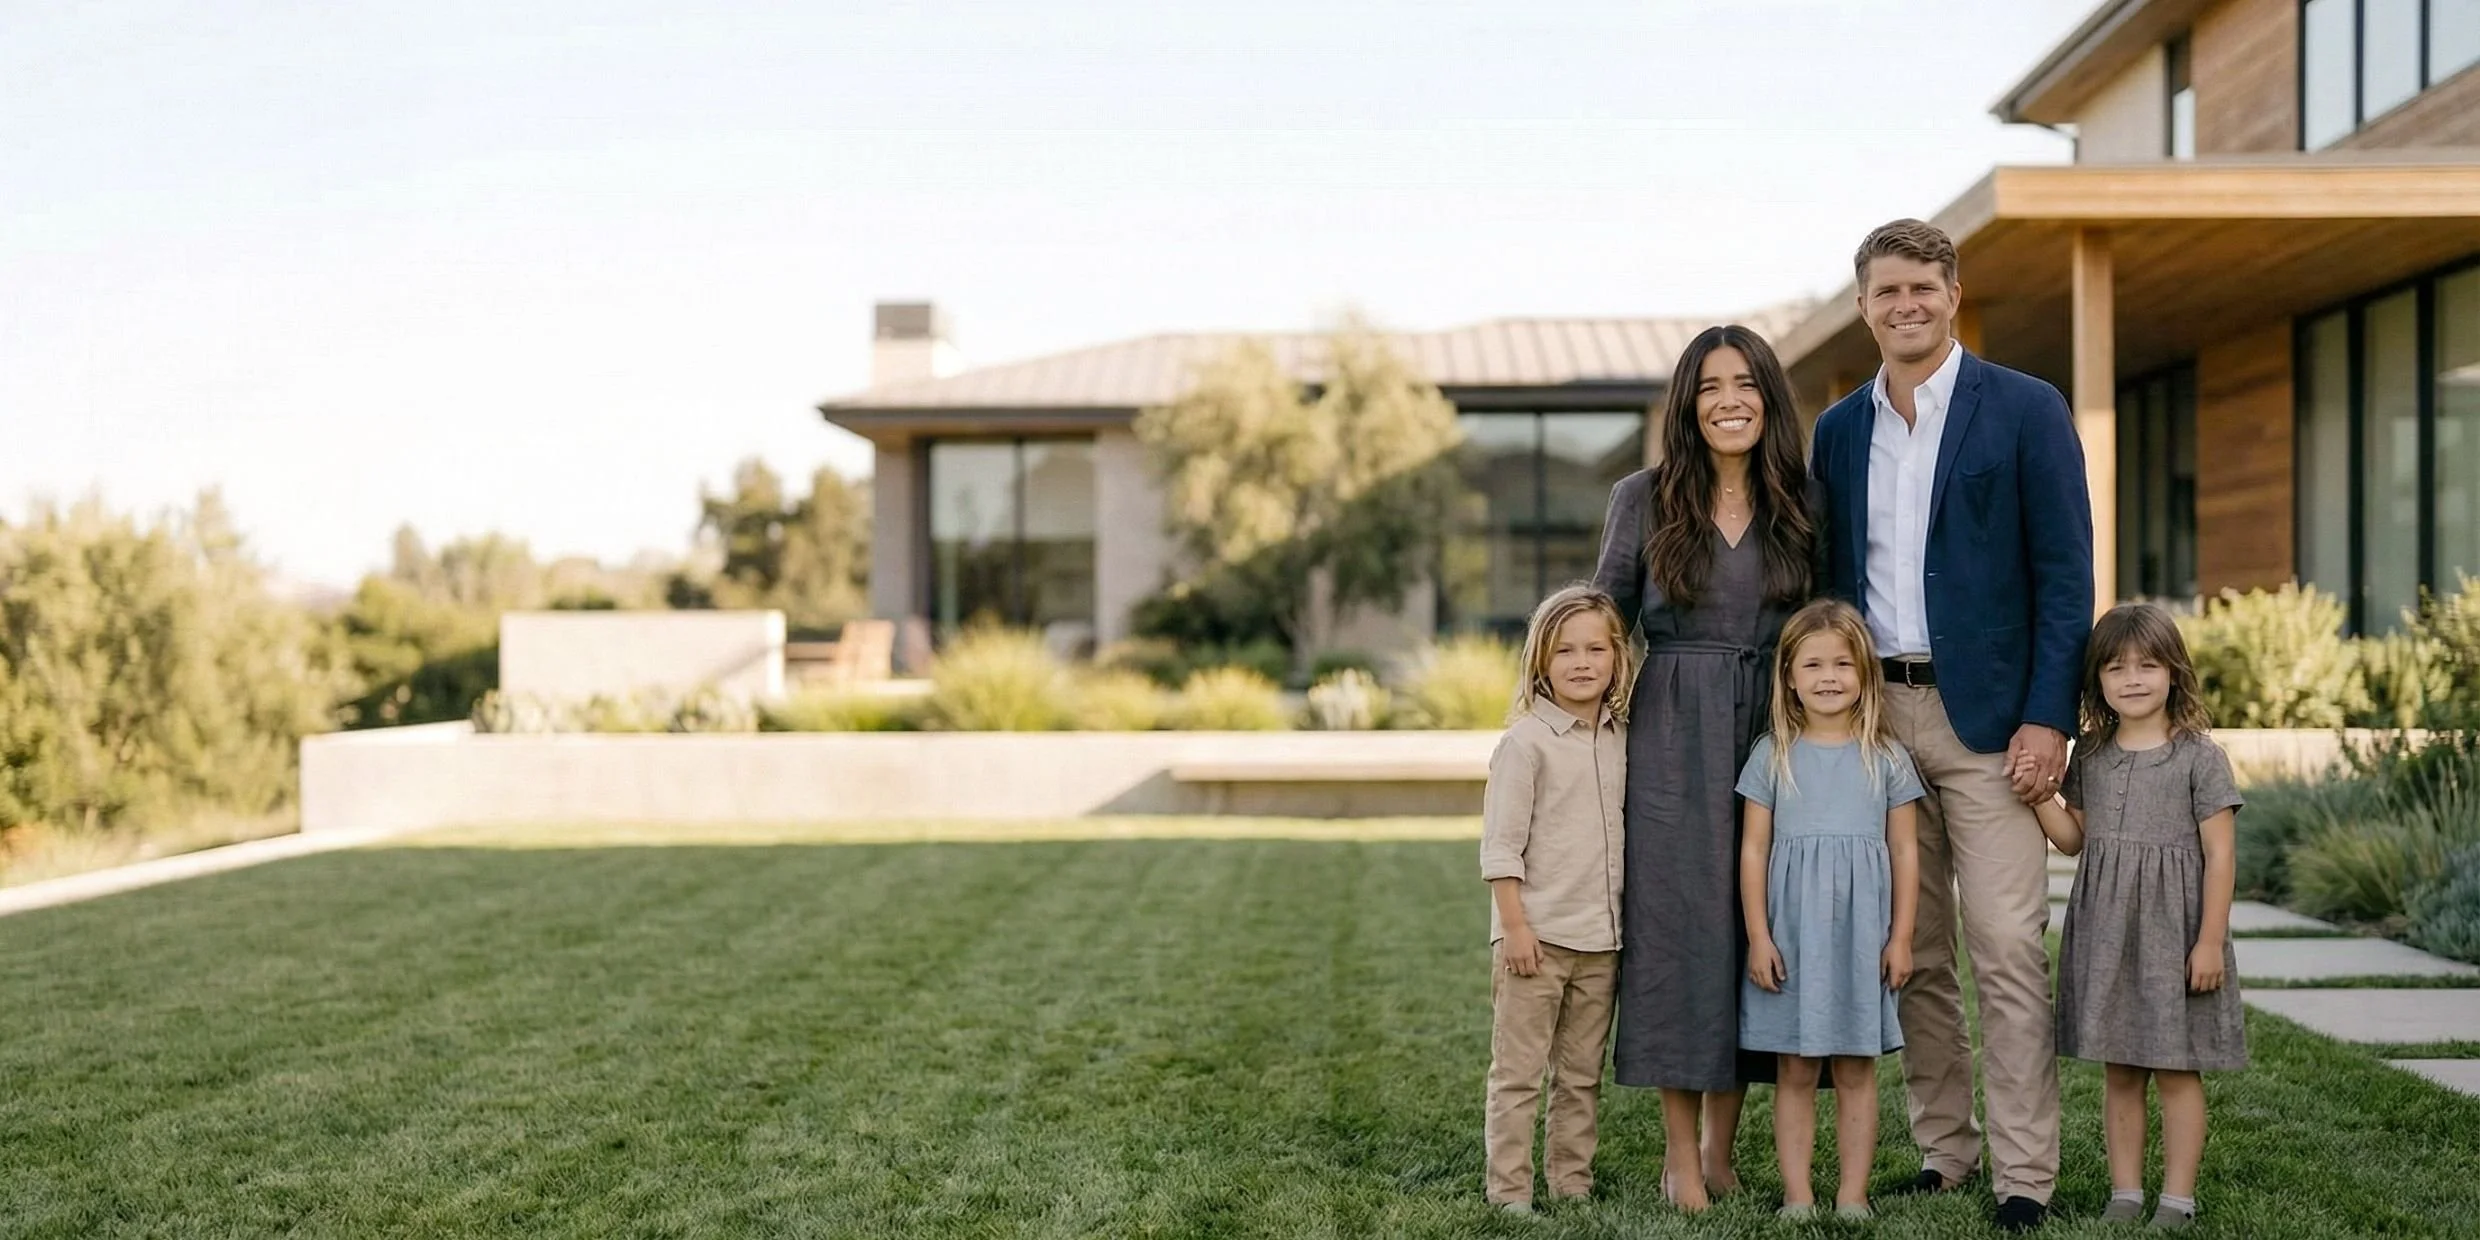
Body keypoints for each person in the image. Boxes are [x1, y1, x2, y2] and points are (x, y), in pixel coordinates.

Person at [1808, 218, 2093, 1232]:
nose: (1904, 306)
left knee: (2007, 947)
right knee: (1914, 952)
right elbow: (1828, 584)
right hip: (1880, 724)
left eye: (1920, 288)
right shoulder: (1838, 431)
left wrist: (2046, 719)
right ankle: (1945, 1152)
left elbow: (2065, 577)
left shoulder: (2022, 408)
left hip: (1989, 729)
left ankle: (2024, 1175)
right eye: (1884, 292)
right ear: (1861, 305)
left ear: (1952, 291)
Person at [1592, 324, 1823, 1211]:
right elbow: (1607, 619)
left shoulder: (1806, 500)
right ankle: (1681, 1157)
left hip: (1778, 726)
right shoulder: (1641, 498)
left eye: (1745, 383)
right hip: (1672, 735)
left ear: (1769, 395)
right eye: (1709, 387)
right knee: (1683, 937)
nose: (1729, 401)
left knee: (1754, 927)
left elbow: (1831, 621)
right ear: (1688, 406)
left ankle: (1726, 1150)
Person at [2025, 604, 2245, 1231]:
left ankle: (2176, 1199)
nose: (2133, 679)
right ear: (2097, 681)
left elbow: (2220, 856)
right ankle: (2125, 1193)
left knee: (2176, 1068)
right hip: (2108, 933)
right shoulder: (2090, 756)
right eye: (2116, 669)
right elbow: (2073, 840)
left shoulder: (2198, 758)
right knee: (2120, 1067)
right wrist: (2042, 799)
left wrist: (2208, 942)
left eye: (2148, 665)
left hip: (2176, 934)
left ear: (2174, 672)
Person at [1737, 599, 1922, 1221]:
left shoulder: (1888, 758)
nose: (1829, 676)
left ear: (1866, 675)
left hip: (1862, 938)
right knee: (1795, 1067)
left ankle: (1852, 1194)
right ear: (1788, 676)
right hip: (1791, 937)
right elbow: (1753, 849)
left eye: (1844, 663)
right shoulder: (1772, 754)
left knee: (1856, 1067)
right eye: (1812, 664)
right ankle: (1798, 1195)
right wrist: (1758, 936)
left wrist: (1901, 938)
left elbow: (1905, 853)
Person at [1477, 584, 1636, 1216]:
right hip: (1535, 941)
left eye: (1596, 648)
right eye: (1565, 650)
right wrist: (1514, 928)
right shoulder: (1526, 744)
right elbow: (1501, 848)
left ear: (1617, 657)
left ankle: (1572, 1182)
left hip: (1603, 941)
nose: (1582, 662)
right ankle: (1509, 1192)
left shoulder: (1624, 737)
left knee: (1580, 1075)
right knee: (1517, 1075)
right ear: (1541, 661)